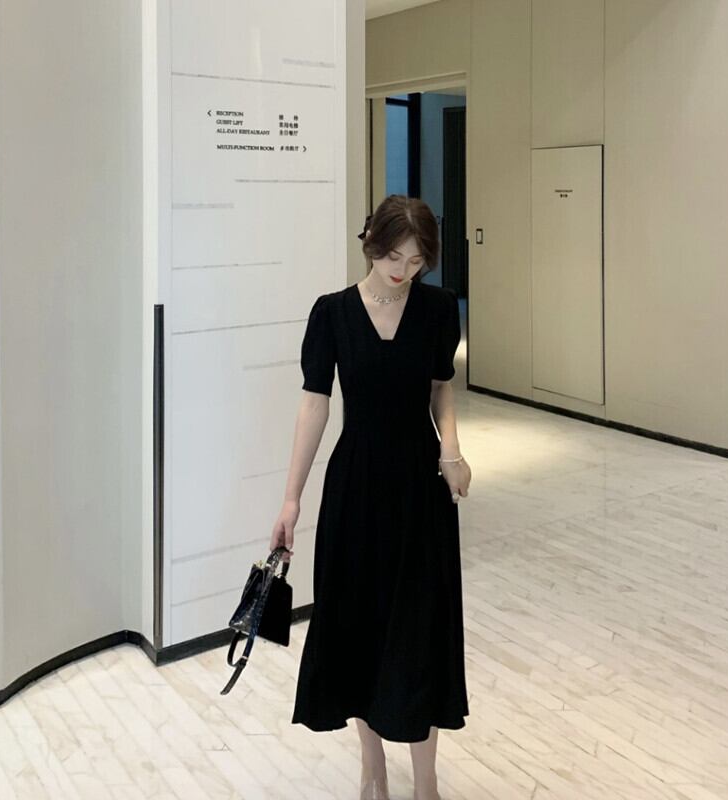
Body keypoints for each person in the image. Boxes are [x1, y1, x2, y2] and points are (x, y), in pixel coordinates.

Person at [270, 194, 471, 800]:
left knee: (421, 629)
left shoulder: (437, 309)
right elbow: (314, 404)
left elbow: (441, 389)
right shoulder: (332, 313)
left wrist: (451, 451)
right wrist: (291, 499)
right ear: (371, 244)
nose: (403, 271)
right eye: (393, 257)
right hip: (355, 487)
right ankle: (371, 761)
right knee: (357, 626)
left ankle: (426, 782)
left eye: (416, 261)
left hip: (419, 486)